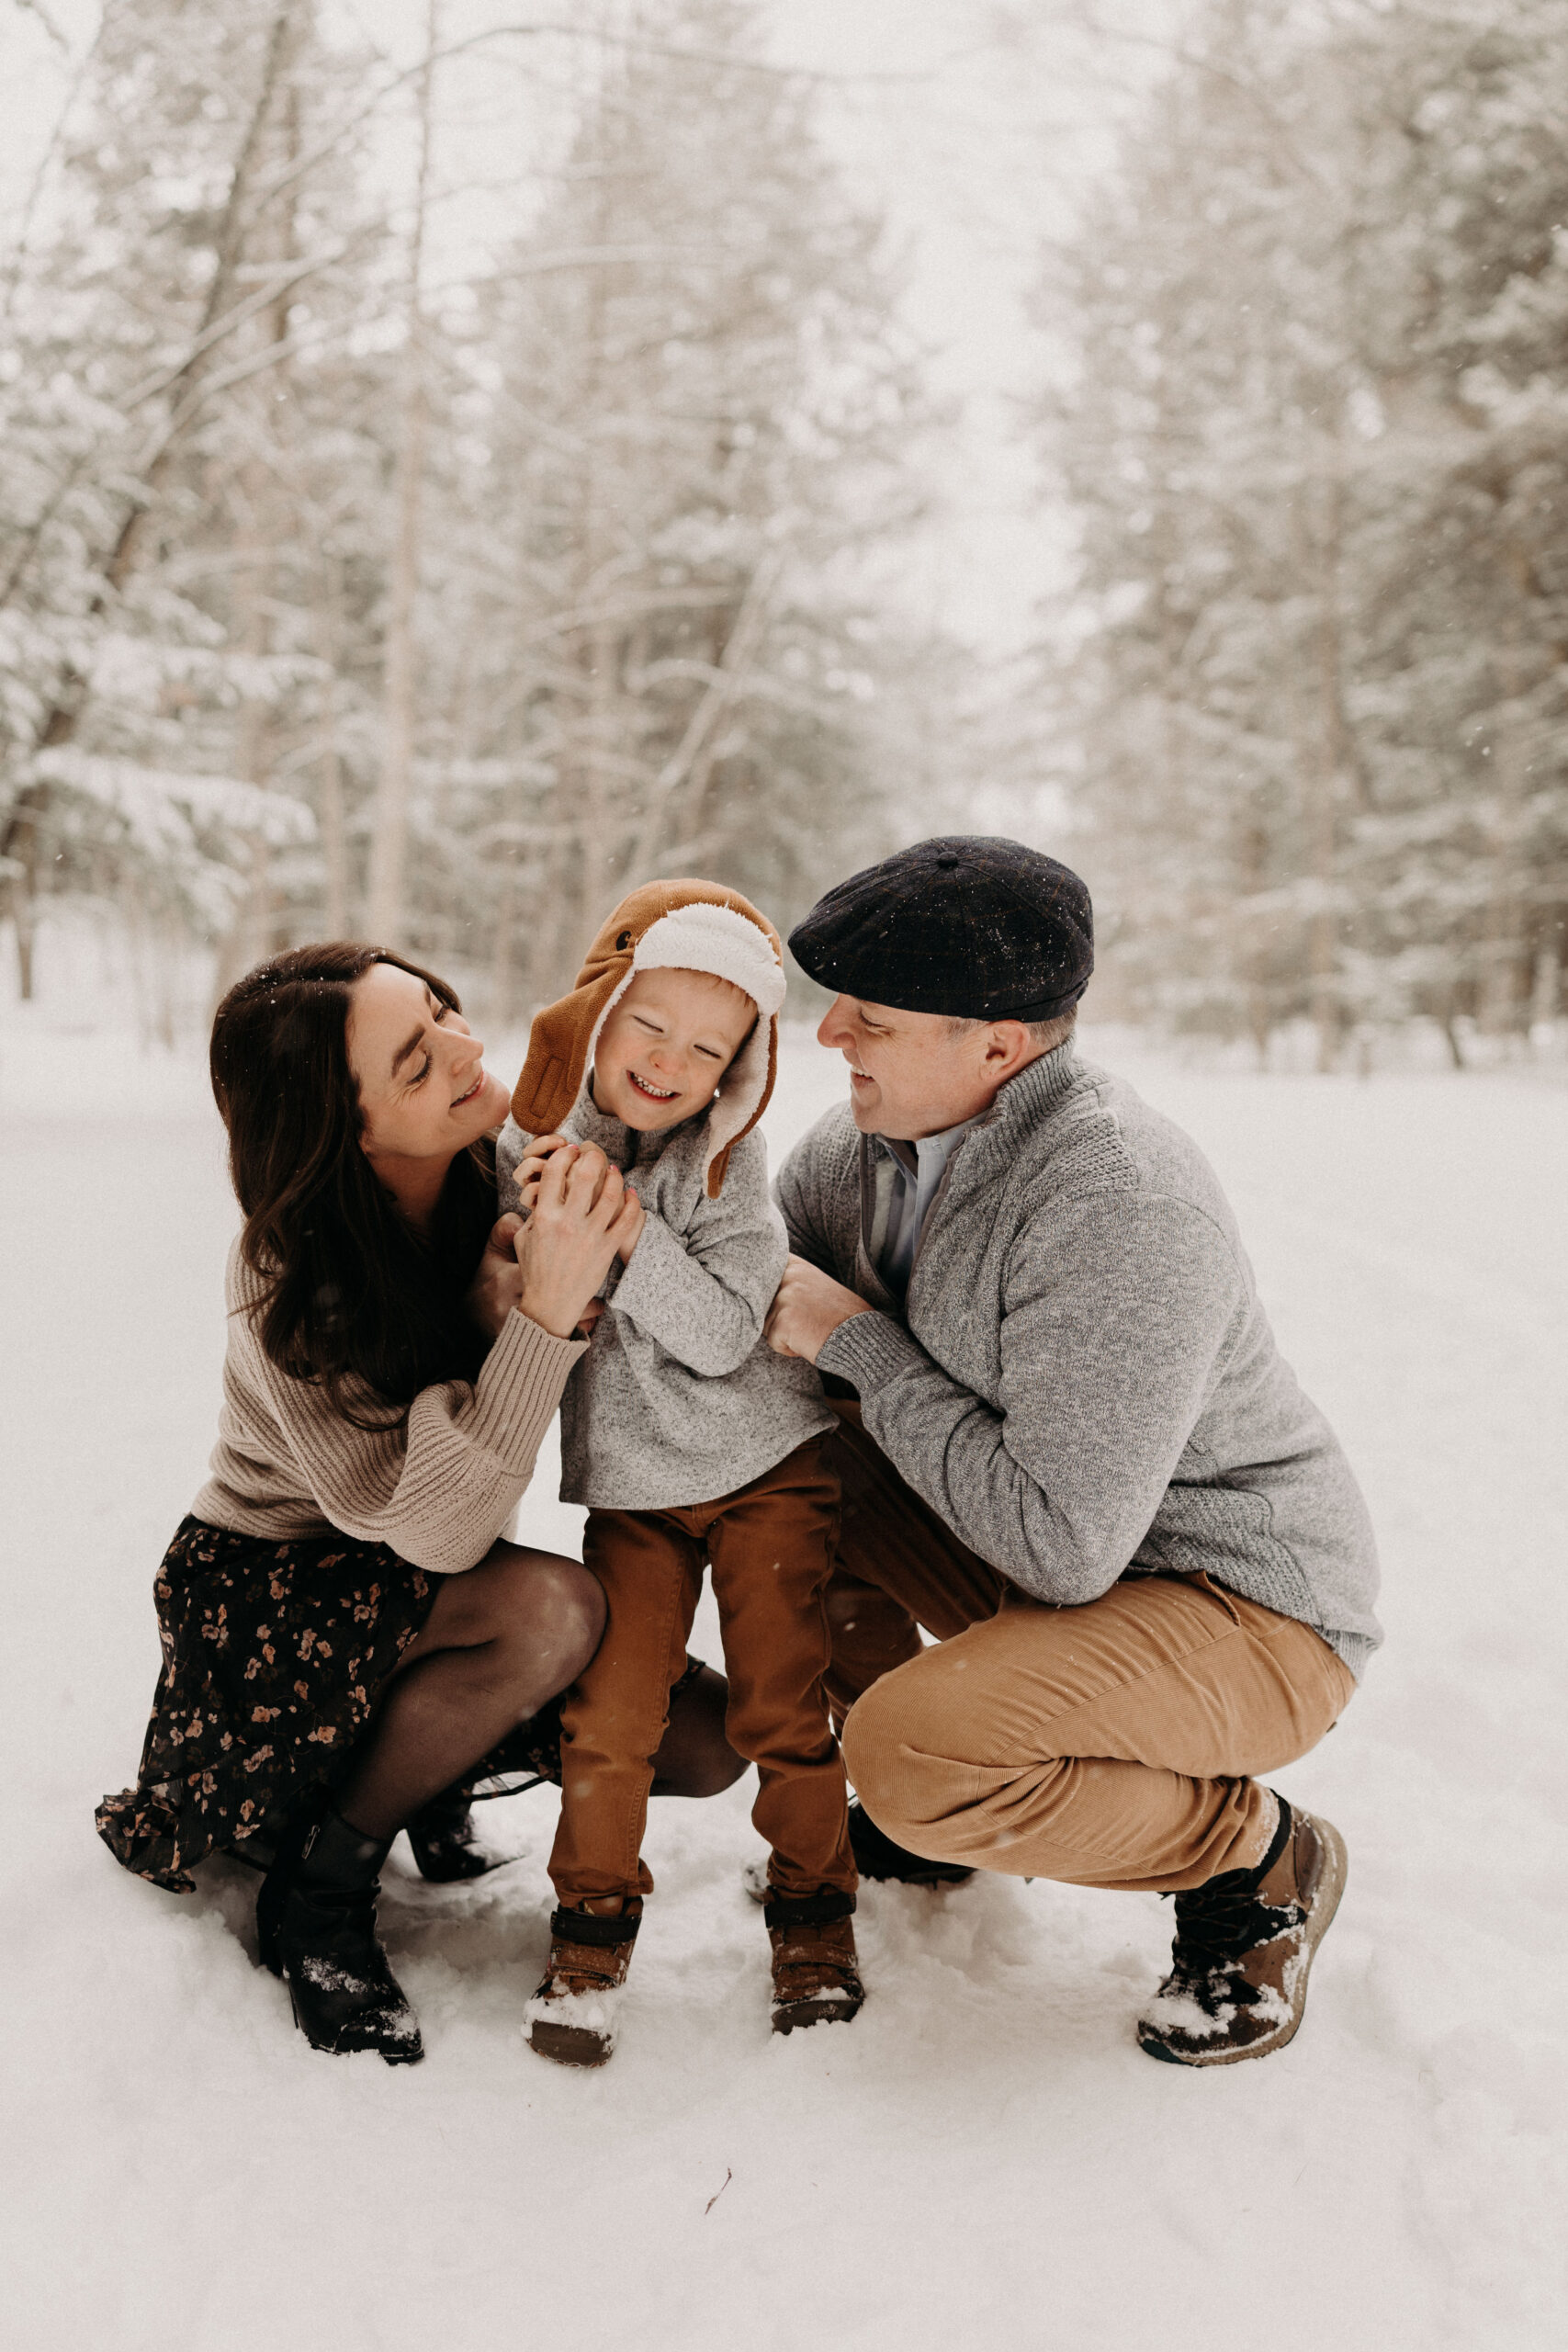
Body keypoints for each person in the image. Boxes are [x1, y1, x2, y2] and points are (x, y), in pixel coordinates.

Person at [764, 837, 1382, 2067]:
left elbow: (1058, 1546)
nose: (829, 1035)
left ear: (997, 1045)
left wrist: (860, 1344)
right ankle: (948, 1791)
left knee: (907, 1753)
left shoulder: (1118, 1199)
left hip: (1244, 1604)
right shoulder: (847, 1159)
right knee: (780, 1473)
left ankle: (1251, 1855)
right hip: (1058, 1553)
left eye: (871, 1017)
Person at [96, 942, 744, 2067]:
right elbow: (423, 1527)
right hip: (275, 1589)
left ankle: (414, 1763)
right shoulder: (285, 1282)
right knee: (553, 1610)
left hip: (430, 1577)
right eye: (415, 1059)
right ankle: (325, 1881)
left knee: (703, 1739)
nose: (464, 1045)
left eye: (442, 1009)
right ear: (348, 1131)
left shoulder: (497, 1167)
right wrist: (534, 1316)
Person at [500, 881, 861, 2068]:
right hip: (636, 1490)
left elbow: (716, 1335)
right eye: (649, 1026)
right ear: (602, 1019)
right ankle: (589, 1934)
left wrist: (626, 1236)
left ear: (736, 1077)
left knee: (776, 1705)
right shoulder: (535, 1149)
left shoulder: (725, 1173)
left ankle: (813, 1914)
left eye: (708, 1050)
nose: (669, 1063)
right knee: (611, 1715)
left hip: (765, 1469)